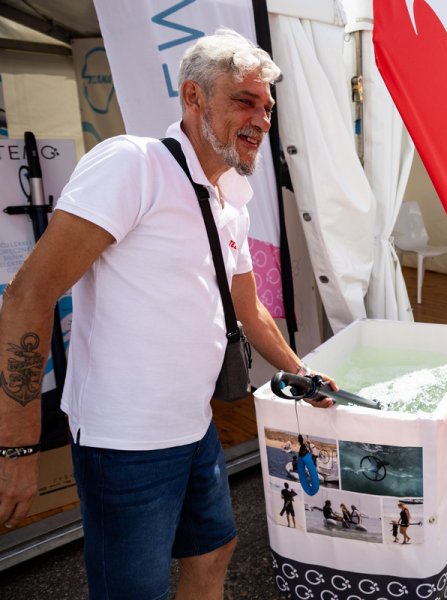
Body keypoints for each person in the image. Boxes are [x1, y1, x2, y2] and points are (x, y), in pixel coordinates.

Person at [0, 29, 337, 600]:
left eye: (267, 106)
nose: (261, 118)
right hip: (124, 440)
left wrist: (297, 371)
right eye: (244, 101)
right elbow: (28, 294)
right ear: (194, 97)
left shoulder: (230, 194)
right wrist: (17, 445)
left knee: (214, 549)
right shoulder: (133, 165)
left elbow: (247, 304)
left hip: (193, 424)